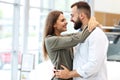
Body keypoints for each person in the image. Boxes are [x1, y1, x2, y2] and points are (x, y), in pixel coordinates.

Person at [55, 1, 109, 80]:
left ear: (82, 16)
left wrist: (69, 74)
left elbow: (94, 65)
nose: (70, 20)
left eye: (72, 16)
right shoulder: (79, 35)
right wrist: (59, 71)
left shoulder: (96, 34)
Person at [43, 10, 99, 80]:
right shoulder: (50, 40)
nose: (66, 22)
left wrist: (92, 20)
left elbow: (77, 34)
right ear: (54, 24)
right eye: (62, 20)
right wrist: (92, 24)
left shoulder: (62, 37)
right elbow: (80, 38)